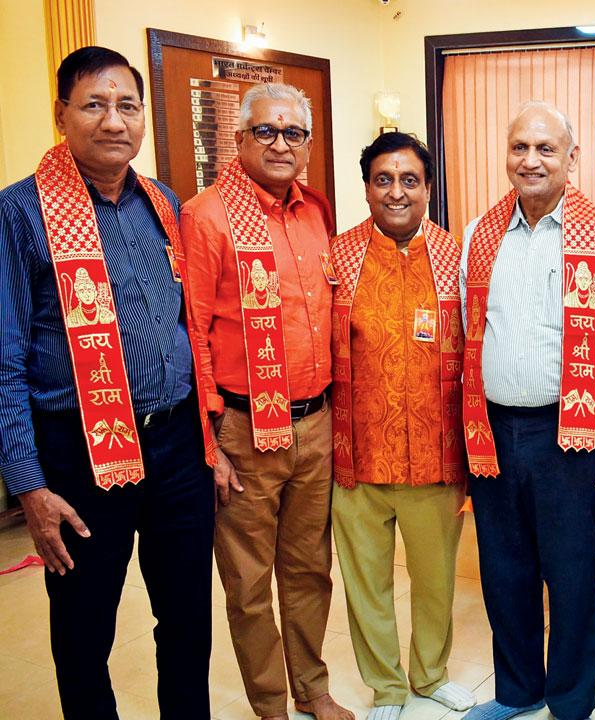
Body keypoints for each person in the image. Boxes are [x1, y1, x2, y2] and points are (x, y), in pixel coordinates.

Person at [0, 46, 217, 718]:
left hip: (176, 444)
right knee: (84, 630)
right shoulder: (20, 212)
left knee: (187, 619)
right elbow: (4, 359)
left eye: (127, 105)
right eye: (94, 104)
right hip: (79, 453)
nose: (113, 120)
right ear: (61, 112)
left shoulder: (162, 202)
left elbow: (185, 323)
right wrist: (28, 485)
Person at [458, 102, 595, 720]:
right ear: (506, 156)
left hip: (577, 428)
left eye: (546, 148)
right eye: (520, 148)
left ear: (572, 158)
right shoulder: (478, 234)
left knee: (570, 576)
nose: (531, 160)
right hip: (494, 427)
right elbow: (471, 333)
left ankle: (570, 701)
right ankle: (517, 690)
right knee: (504, 569)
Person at [181, 82, 352, 720]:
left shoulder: (315, 210)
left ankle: (313, 689)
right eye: (267, 132)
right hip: (244, 429)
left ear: (308, 144)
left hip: (315, 420)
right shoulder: (207, 215)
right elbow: (193, 331)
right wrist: (209, 443)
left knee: (310, 571)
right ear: (238, 139)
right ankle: (269, 703)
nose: (281, 144)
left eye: (294, 133)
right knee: (250, 584)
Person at [329, 132, 477, 720]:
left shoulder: (457, 257)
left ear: (428, 188)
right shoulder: (336, 257)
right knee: (366, 585)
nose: (396, 192)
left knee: (437, 580)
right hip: (358, 455)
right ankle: (386, 688)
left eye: (409, 180)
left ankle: (430, 674)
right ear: (366, 188)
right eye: (383, 180)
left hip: (437, 455)